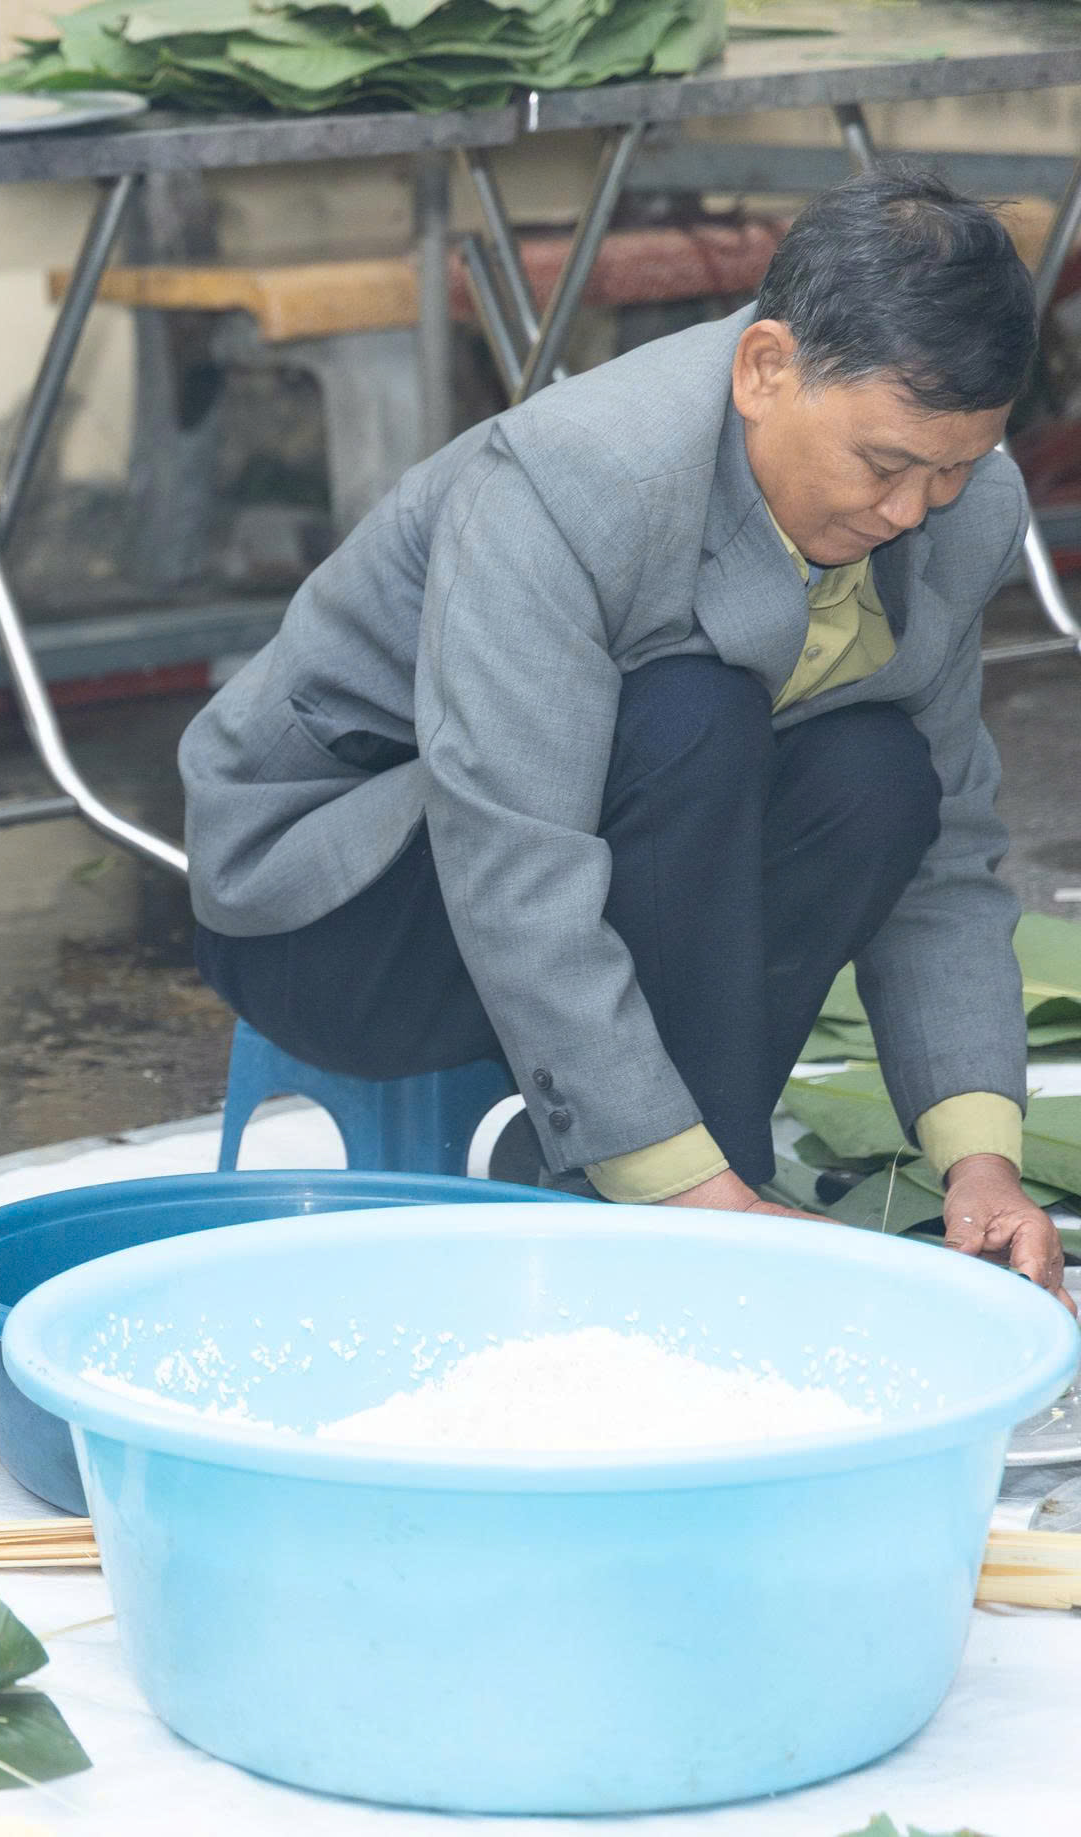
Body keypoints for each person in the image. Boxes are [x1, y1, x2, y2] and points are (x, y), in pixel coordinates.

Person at [179, 167, 1070, 1310]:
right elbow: (517, 865)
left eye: (951, 469)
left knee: (878, 775)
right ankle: (674, 1203)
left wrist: (979, 1160)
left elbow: (942, 854)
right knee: (691, 716)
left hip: (584, 875)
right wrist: (693, 1193)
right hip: (333, 914)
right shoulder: (576, 480)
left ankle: (655, 1178)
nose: (910, 510)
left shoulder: (960, 514)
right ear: (764, 370)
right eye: (886, 464)